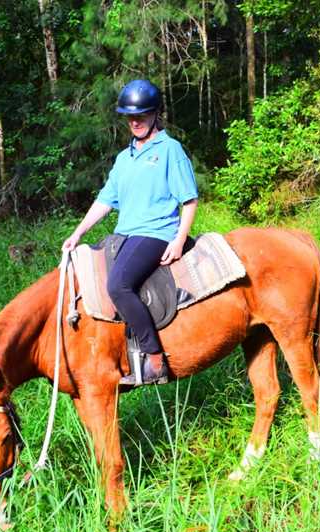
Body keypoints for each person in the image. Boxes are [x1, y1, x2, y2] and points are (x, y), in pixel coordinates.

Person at [62, 79, 199, 386]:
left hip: (156, 232)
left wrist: (178, 240)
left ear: (155, 114)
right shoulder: (124, 158)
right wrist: (78, 232)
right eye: (129, 115)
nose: (135, 121)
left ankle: (154, 358)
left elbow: (189, 200)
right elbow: (105, 200)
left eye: (142, 114)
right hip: (125, 234)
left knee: (119, 285)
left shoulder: (169, 150)